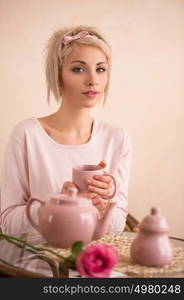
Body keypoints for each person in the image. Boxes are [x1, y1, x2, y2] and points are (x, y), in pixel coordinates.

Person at [0, 25, 132, 245]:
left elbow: (117, 226)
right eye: (78, 69)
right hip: (35, 269)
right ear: (58, 74)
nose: (93, 80)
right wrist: (56, 204)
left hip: (95, 269)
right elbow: (7, 223)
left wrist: (102, 206)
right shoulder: (27, 135)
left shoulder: (117, 139)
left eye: (100, 69)